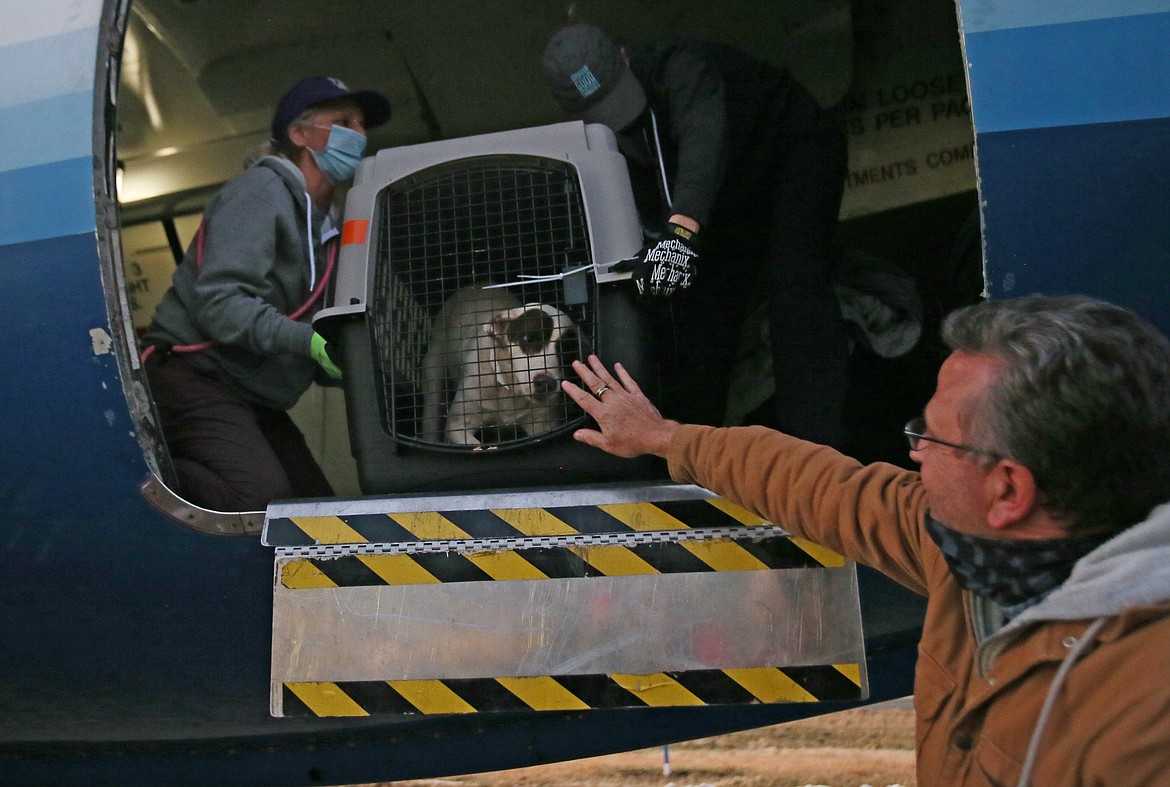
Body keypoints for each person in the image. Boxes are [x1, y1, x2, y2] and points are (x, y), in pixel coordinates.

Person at [561, 294, 1170, 786]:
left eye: (933, 439)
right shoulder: (970, 548)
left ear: (1008, 491)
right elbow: (827, 487)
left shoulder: (1143, 723)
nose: (915, 453)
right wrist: (667, 439)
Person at [542, 24, 849, 445]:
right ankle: (689, 454)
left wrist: (680, 235)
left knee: (796, 285)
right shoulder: (600, 145)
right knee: (700, 318)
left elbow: (702, 145)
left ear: (625, 56)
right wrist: (648, 263)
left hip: (788, 153)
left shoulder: (683, 66)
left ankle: (818, 449)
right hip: (723, 203)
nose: (620, 118)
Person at [142, 76, 391, 511]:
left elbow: (306, 331)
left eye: (362, 123)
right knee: (260, 500)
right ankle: (146, 474)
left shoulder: (329, 224)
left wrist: (345, 363)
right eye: (344, 121)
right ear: (299, 135)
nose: (360, 134)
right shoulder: (260, 193)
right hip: (194, 376)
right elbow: (221, 304)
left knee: (313, 510)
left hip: (251, 393)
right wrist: (308, 341)